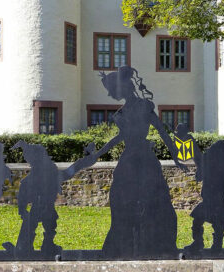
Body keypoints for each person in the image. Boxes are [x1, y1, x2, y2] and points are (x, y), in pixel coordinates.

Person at [79, 66, 188, 258]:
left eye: (112, 90)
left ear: (122, 88)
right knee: (122, 202)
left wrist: (176, 157)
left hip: (140, 160)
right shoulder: (120, 114)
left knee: (155, 201)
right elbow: (121, 137)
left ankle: (154, 243)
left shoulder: (144, 106)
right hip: (133, 160)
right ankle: (126, 244)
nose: (111, 94)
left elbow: (163, 132)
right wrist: (98, 154)